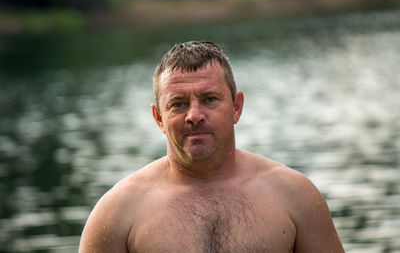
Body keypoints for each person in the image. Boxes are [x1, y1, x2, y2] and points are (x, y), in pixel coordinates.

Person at [79, 41, 344, 253]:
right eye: (178, 104)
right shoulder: (117, 213)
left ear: (236, 107)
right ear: (159, 117)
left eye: (209, 99)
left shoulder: (295, 196)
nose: (194, 114)